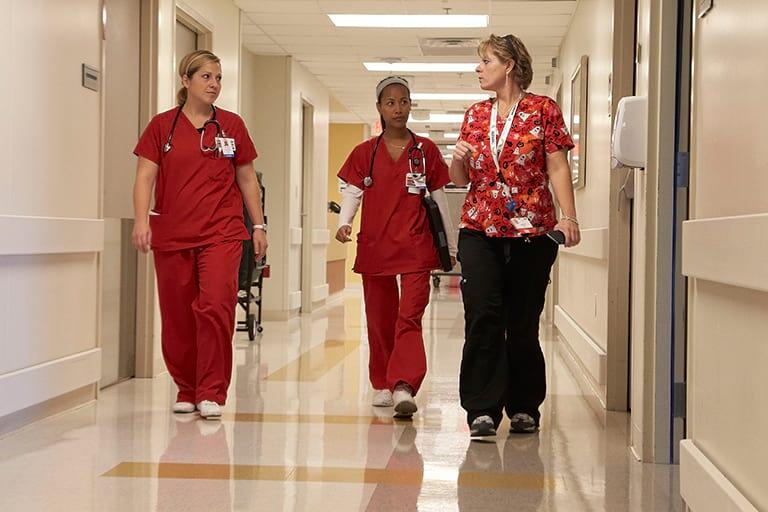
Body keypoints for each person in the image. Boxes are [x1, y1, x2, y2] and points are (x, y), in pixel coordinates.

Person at [450, 34, 580, 437]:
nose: (478, 68)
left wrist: (569, 217)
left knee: (522, 322)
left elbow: (557, 166)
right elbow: (461, 180)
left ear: (508, 65)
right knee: (483, 317)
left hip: (533, 231)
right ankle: (481, 410)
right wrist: (457, 161)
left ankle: (524, 406)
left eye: (485, 61)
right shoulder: (475, 115)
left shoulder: (543, 110)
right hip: (479, 228)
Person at [132, 50, 267, 419]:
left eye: (218, 78)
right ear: (185, 80)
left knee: (215, 308)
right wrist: (140, 220)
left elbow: (246, 178)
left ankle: (211, 391)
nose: (214, 84)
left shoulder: (232, 126)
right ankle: (186, 387)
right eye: (206, 77)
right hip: (173, 233)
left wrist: (258, 224)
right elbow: (145, 176)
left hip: (222, 232)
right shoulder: (162, 127)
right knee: (177, 313)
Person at [336, 76, 456, 418]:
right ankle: (382, 382)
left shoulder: (425, 152)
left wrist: (450, 242)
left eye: (403, 101)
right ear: (379, 108)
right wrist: (343, 222)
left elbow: (439, 199)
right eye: (390, 102)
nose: (398, 108)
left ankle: (404, 384)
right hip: (376, 246)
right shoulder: (364, 153)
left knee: (409, 316)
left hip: (417, 247)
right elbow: (353, 191)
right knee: (379, 318)